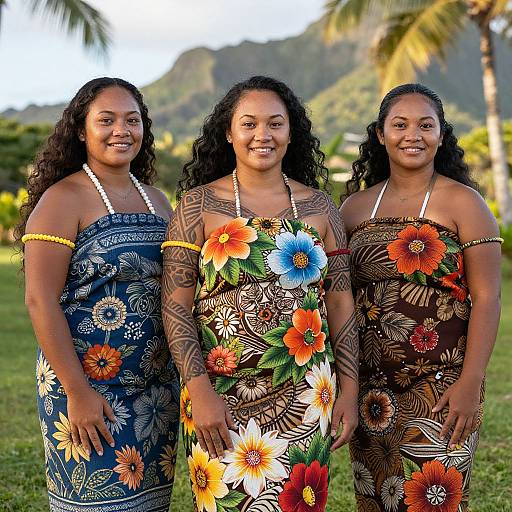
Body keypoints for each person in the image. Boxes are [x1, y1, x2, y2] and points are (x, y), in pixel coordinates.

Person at [161, 75, 359, 511]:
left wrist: (349, 389)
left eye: (275, 123)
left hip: (307, 395)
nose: (262, 135)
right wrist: (200, 392)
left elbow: (341, 301)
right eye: (248, 124)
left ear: (292, 133)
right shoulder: (197, 206)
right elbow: (175, 308)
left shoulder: (320, 207)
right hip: (219, 396)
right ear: (229, 133)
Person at [16, 77, 179, 511]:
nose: (121, 130)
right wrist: (77, 390)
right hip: (87, 388)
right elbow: (39, 299)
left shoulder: (158, 201)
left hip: (155, 390)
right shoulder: (62, 199)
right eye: (106, 120)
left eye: (132, 120)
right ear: (81, 130)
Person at [340, 83, 503, 511]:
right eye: (400, 125)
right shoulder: (354, 208)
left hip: (442, 389)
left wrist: (470, 384)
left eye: (425, 125)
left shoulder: (465, 203)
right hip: (370, 391)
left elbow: (487, 298)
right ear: (379, 134)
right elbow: (337, 297)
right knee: (376, 501)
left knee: (431, 500)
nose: (413, 135)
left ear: (441, 135)